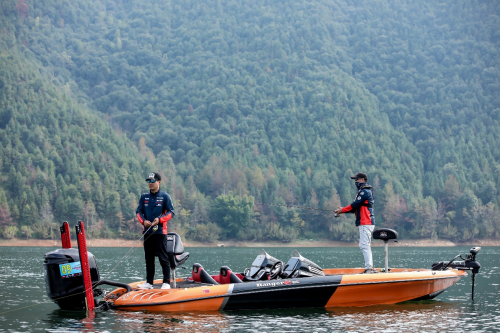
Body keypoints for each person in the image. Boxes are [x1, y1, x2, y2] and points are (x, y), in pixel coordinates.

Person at [136, 172, 175, 289]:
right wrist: (143, 221)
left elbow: (171, 212)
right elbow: (138, 212)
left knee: (163, 258)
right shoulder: (144, 197)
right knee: (149, 258)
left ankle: (166, 283)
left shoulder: (165, 196)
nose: (150, 183)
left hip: (160, 232)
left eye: (153, 181)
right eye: (148, 181)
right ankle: (149, 283)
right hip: (147, 232)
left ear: (159, 182)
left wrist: (160, 219)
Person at [334, 172, 376, 273]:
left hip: (366, 222)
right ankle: (369, 268)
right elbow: (355, 208)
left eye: (356, 180)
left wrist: (342, 210)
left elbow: (354, 204)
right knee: (364, 245)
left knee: (364, 245)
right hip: (364, 222)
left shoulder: (365, 192)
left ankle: (369, 268)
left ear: (362, 180)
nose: (356, 182)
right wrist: (343, 210)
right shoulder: (363, 192)